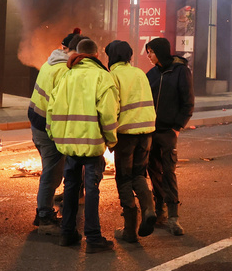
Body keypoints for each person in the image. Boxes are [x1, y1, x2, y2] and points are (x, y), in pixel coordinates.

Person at [47, 38, 119, 253]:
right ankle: (94, 238)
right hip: (92, 143)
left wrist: (55, 135)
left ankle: (67, 233)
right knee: (92, 189)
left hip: (68, 145)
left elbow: (52, 108)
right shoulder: (102, 77)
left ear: (78, 54)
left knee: (70, 186)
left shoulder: (66, 75)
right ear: (97, 55)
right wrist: (111, 139)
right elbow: (108, 113)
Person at [25, 29, 78, 235]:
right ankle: (44, 217)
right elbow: (61, 105)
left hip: (37, 123)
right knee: (52, 173)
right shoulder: (64, 70)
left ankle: (45, 212)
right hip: (48, 129)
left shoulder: (50, 63)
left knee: (52, 170)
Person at [105, 40, 157, 243]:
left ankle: (129, 230)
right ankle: (149, 209)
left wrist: (110, 138)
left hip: (126, 134)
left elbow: (112, 108)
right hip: (147, 131)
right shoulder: (139, 73)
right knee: (139, 174)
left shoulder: (113, 76)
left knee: (124, 178)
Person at [144, 37, 194, 236]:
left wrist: (177, 127)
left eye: (151, 52)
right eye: (148, 52)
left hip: (168, 131)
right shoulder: (151, 74)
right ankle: (159, 211)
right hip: (150, 131)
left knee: (168, 172)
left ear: (160, 52)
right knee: (153, 171)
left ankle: (173, 217)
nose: (148, 56)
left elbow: (188, 102)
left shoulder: (180, 71)